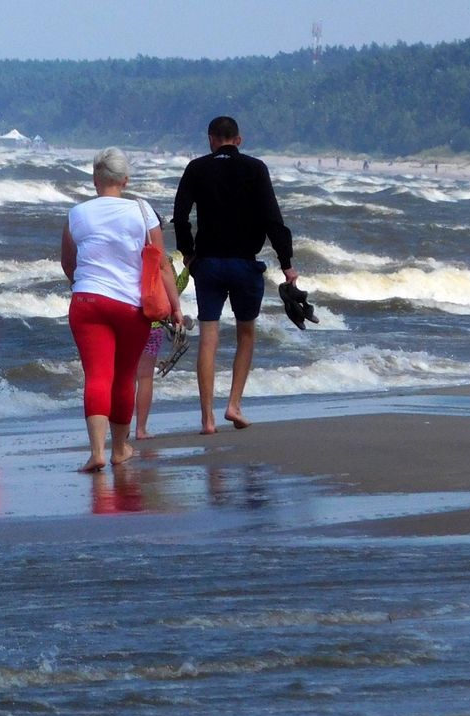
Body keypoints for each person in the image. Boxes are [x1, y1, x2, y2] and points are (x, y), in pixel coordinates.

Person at [173, 116, 299, 435]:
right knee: (246, 334)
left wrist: (187, 252)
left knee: (209, 337)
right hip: (245, 263)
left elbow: (180, 215)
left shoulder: (197, 168)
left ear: (211, 139)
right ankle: (233, 405)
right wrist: (287, 264)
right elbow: (273, 219)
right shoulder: (256, 169)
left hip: (209, 264)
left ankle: (207, 419)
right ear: (238, 140)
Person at [61, 148, 183, 472]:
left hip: (87, 302)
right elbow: (162, 264)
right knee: (124, 377)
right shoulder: (143, 212)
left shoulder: (77, 214)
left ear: (95, 179)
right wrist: (175, 307)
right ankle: (118, 449)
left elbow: (68, 263)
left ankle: (95, 452)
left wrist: (86, 285)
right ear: (125, 180)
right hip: (132, 307)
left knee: (97, 376)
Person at [134, 259, 190, 440]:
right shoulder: (163, 260)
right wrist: (187, 270)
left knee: (124, 376)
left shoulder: (128, 251)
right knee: (144, 377)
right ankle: (140, 429)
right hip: (154, 324)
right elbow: (175, 287)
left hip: (128, 319)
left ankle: (121, 427)